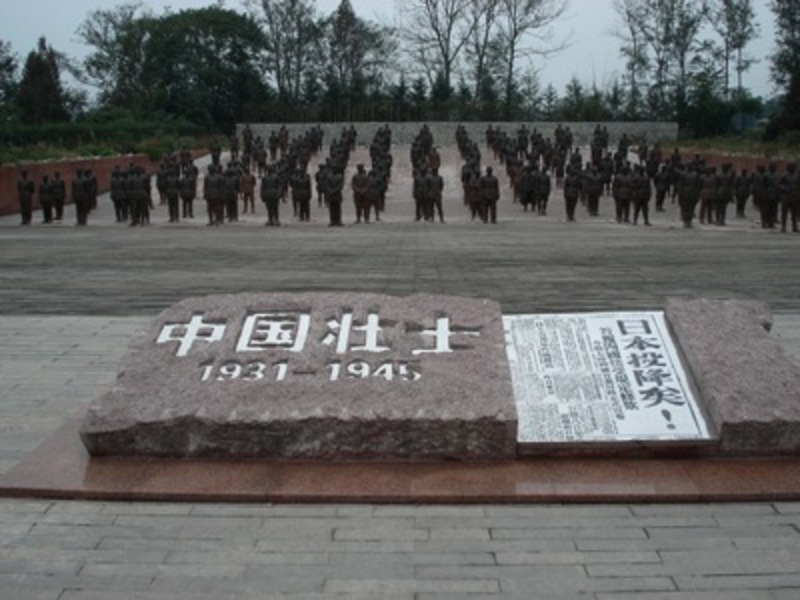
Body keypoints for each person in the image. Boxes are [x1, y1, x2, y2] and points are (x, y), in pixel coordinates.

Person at [779, 163, 799, 233]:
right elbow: (779, 184)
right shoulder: (784, 175)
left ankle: (794, 226)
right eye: (792, 168)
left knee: (794, 213)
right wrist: (784, 188)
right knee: (784, 213)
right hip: (786, 197)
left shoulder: (797, 176)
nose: (793, 169)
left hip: (795, 197)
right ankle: (783, 227)